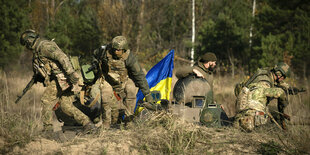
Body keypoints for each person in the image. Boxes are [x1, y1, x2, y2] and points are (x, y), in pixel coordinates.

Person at [19, 29, 96, 133]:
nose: (26, 47)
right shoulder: (38, 50)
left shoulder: (44, 46)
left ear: (29, 41)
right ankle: (87, 124)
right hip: (64, 79)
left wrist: (70, 73)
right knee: (65, 106)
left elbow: (62, 57)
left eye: (25, 44)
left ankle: (48, 129)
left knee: (46, 100)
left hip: (64, 78)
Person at [92, 36, 153, 128]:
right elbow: (94, 54)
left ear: (124, 50)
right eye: (114, 49)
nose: (116, 52)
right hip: (108, 79)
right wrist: (94, 63)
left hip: (124, 79)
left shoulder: (130, 58)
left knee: (131, 90)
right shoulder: (104, 51)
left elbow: (139, 76)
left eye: (119, 50)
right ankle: (106, 122)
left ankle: (128, 121)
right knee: (105, 95)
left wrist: (148, 95)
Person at [234, 62, 291, 132]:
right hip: (251, 122)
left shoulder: (259, 76)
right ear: (280, 76)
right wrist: (283, 103)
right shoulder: (265, 83)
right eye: (284, 77)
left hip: (238, 120)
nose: (283, 79)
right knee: (276, 115)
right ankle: (283, 133)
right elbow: (279, 93)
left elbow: (237, 88)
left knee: (272, 109)